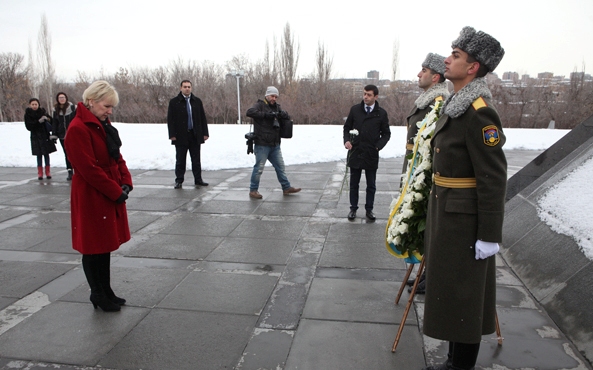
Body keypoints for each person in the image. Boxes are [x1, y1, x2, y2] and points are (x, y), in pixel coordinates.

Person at [422, 27, 506, 370]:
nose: (447, 59)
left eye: (455, 55)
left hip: (466, 220)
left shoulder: (478, 111)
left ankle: (461, 365)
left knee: (466, 295)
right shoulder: (456, 104)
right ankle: (454, 359)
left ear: (473, 67)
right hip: (447, 212)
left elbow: (492, 176)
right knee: (454, 291)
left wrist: (489, 234)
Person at [65, 80, 133, 312]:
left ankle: (107, 290)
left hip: (107, 191)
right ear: (91, 102)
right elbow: (89, 170)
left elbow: (117, 156)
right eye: (106, 106)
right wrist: (115, 191)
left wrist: (125, 181)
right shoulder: (77, 128)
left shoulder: (101, 124)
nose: (110, 111)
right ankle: (97, 293)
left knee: (104, 246)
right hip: (91, 195)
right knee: (92, 247)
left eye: (111, 107)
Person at [403, 53, 450, 295]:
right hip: (415, 167)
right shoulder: (427, 99)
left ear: (436, 76)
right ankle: (426, 272)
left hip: (425, 171)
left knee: (428, 224)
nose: (419, 74)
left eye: (423, 70)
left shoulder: (439, 101)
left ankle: (430, 275)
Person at [343, 84, 391, 221]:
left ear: (376, 96)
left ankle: (369, 209)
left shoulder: (381, 113)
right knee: (354, 183)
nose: (365, 97)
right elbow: (346, 128)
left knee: (371, 184)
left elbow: (386, 134)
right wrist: (347, 140)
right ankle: (353, 208)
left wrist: (377, 147)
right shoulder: (355, 110)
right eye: (364, 94)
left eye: (369, 95)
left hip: (371, 153)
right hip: (355, 152)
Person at [245, 86, 301, 199]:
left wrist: (284, 115)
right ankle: (253, 190)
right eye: (272, 96)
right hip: (262, 144)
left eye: (276, 96)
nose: (274, 98)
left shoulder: (277, 107)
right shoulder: (259, 105)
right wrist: (266, 115)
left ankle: (286, 187)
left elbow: (285, 117)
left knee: (280, 167)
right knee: (259, 168)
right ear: (267, 95)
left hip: (275, 144)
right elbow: (249, 112)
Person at [167, 80, 209, 189]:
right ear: (180, 88)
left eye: (189, 87)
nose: (187, 89)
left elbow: (202, 118)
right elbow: (170, 120)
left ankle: (198, 179)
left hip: (195, 135)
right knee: (180, 159)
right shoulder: (174, 102)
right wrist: (172, 134)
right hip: (180, 135)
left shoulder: (197, 101)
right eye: (185, 87)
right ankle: (179, 180)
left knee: (196, 160)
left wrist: (205, 133)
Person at [24, 98, 56, 180]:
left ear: (38, 105)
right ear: (30, 105)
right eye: (33, 104)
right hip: (35, 137)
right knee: (39, 155)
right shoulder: (28, 114)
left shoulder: (43, 112)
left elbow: (51, 121)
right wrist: (38, 122)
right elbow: (29, 127)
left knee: (46, 154)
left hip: (45, 136)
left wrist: (47, 119)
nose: (34, 106)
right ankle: (40, 173)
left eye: (36, 104)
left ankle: (48, 171)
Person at [52, 92, 77, 181]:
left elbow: (77, 120)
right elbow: (54, 122)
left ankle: (77, 171)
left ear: (66, 98)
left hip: (73, 134)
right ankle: (70, 171)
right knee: (67, 154)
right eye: (60, 98)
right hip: (62, 135)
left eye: (63, 97)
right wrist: (54, 134)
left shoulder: (72, 108)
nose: (62, 99)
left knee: (75, 153)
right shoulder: (56, 110)